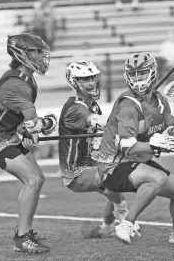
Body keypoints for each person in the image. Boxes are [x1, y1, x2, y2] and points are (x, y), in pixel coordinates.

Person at [92, 52, 174, 244]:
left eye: (142, 74)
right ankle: (126, 224)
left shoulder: (159, 100)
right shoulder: (129, 106)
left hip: (135, 163)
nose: (138, 80)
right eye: (134, 75)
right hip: (112, 167)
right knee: (158, 177)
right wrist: (156, 144)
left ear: (153, 72)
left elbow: (169, 125)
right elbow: (127, 148)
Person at [0, 33, 56, 254]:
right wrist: (47, 123)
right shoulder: (17, 84)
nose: (41, 56)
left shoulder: (23, 78)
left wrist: (25, 129)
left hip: (7, 134)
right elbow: (33, 126)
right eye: (36, 52)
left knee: (38, 178)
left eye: (41, 52)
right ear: (22, 54)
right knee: (31, 180)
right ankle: (22, 238)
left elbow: (16, 118)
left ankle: (24, 230)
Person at [58, 60, 140, 238]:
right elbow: (100, 123)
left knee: (123, 171)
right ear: (73, 81)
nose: (90, 82)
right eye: (84, 79)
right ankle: (123, 215)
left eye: (92, 78)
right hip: (75, 172)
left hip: (89, 163)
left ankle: (107, 227)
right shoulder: (74, 109)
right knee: (115, 180)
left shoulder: (92, 105)